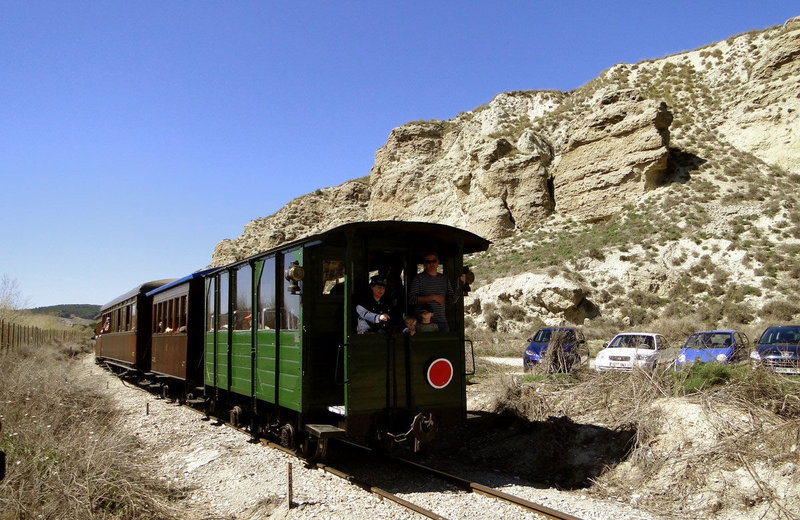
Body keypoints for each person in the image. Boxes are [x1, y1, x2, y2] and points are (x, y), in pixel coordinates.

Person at [408, 252, 464, 332]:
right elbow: (412, 300)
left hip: (441, 322)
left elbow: (451, 300)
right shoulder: (418, 279)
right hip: (423, 323)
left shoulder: (444, 279)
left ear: (438, 262)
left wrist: (459, 287)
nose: (431, 264)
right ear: (424, 264)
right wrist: (433, 297)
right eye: (428, 262)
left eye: (434, 261)